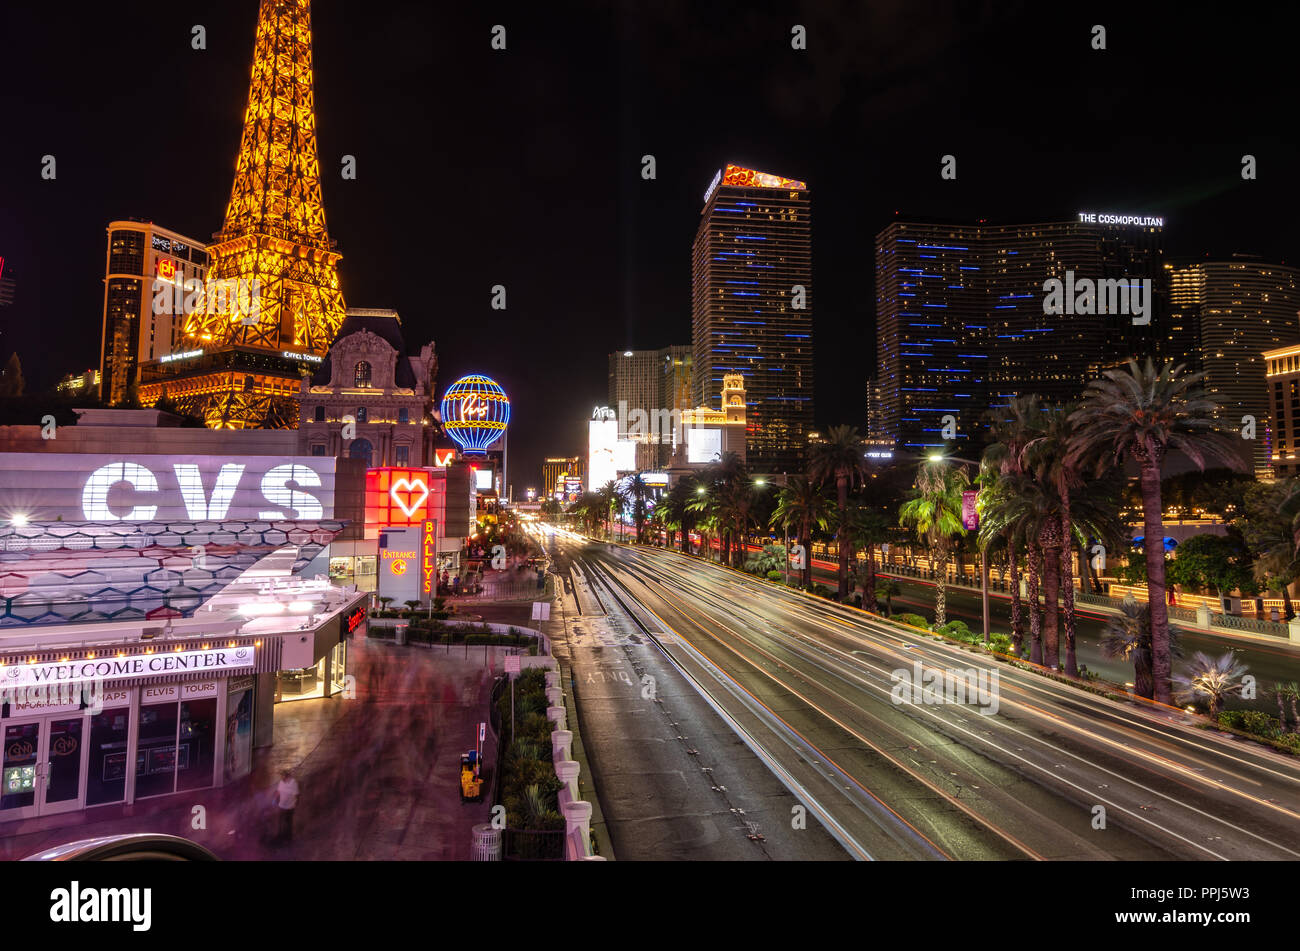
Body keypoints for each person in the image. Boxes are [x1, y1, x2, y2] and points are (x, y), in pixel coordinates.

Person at [271, 769, 300, 843]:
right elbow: (278, 791)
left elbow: (296, 794)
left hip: (290, 807)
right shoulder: (281, 782)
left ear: (287, 776)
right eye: (281, 777)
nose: (281, 778)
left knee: (288, 823)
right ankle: (279, 836)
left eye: (283, 776)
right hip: (281, 806)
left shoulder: (293, 783)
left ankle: (288, 838)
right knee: (280, 822)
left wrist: (296, 803)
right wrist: (274, 798)